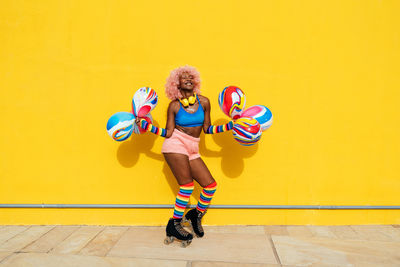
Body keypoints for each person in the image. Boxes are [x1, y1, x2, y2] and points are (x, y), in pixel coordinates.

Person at [136, 65, 233, 246]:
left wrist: (230, 126)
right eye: (183, 78)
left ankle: (194, 215)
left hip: (193, 148)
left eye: (191, 77)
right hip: (175, 144)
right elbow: (168, 132)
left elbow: (207, 129)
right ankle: (174, 224)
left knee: (210, 185)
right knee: (187, 186)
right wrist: (146, 126)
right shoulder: (174, 106)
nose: (188, 79)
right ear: (176, 84)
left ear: (195, 81)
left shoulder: (204, 102)